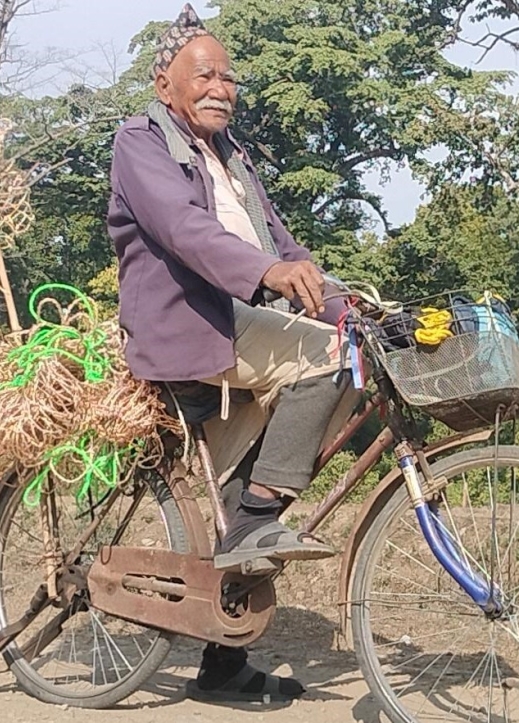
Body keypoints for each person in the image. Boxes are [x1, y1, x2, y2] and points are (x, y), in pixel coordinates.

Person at [107, 3, 357, 703]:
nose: (221, 87)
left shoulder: (234, 157)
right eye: (203, 74)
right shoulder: (141, 143)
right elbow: (184, 230)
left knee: (252, 501)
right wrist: (269, 276)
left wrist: (344, 300)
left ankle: (221, 665)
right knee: (330, 362)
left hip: (240, 328)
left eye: (228, 77)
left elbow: (284, 247)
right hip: (189, 327)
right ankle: (254, 518)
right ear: (164, 85)